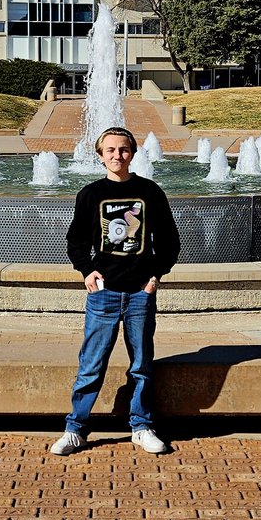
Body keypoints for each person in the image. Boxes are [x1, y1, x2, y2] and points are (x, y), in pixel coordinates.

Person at [51, 126, 180, 456]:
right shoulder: (91, 194)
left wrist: (155, 276)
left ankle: (141, 426)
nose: (117, 156)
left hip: (140, 292)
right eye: (110, 150)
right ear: (100, 155)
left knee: (141, 365)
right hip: (104, 293)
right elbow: (76, 241)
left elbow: (169, 241)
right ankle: (75, 429)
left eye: (123, 150)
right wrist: (86, 271)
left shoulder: (150, 192)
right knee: (91, 364)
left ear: (133, 153)